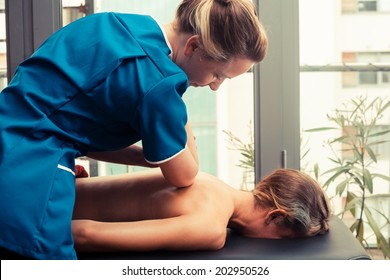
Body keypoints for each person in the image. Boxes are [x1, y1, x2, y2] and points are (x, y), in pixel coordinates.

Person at [0, 0, 268, 259]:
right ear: (194, 46)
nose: (215, 86)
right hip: (27, 171)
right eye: (219, 74)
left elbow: (74, 129)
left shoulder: (113, 23)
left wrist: (147, 156)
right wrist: (180, 113)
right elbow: (185, 175)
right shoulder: (160, 85)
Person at [72, 168, 330, 253]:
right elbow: (85, 233)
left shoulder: (210, 179)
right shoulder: (210, 227)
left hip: (56, 180)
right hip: (44, 207)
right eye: (283, 240)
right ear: (275, 216)